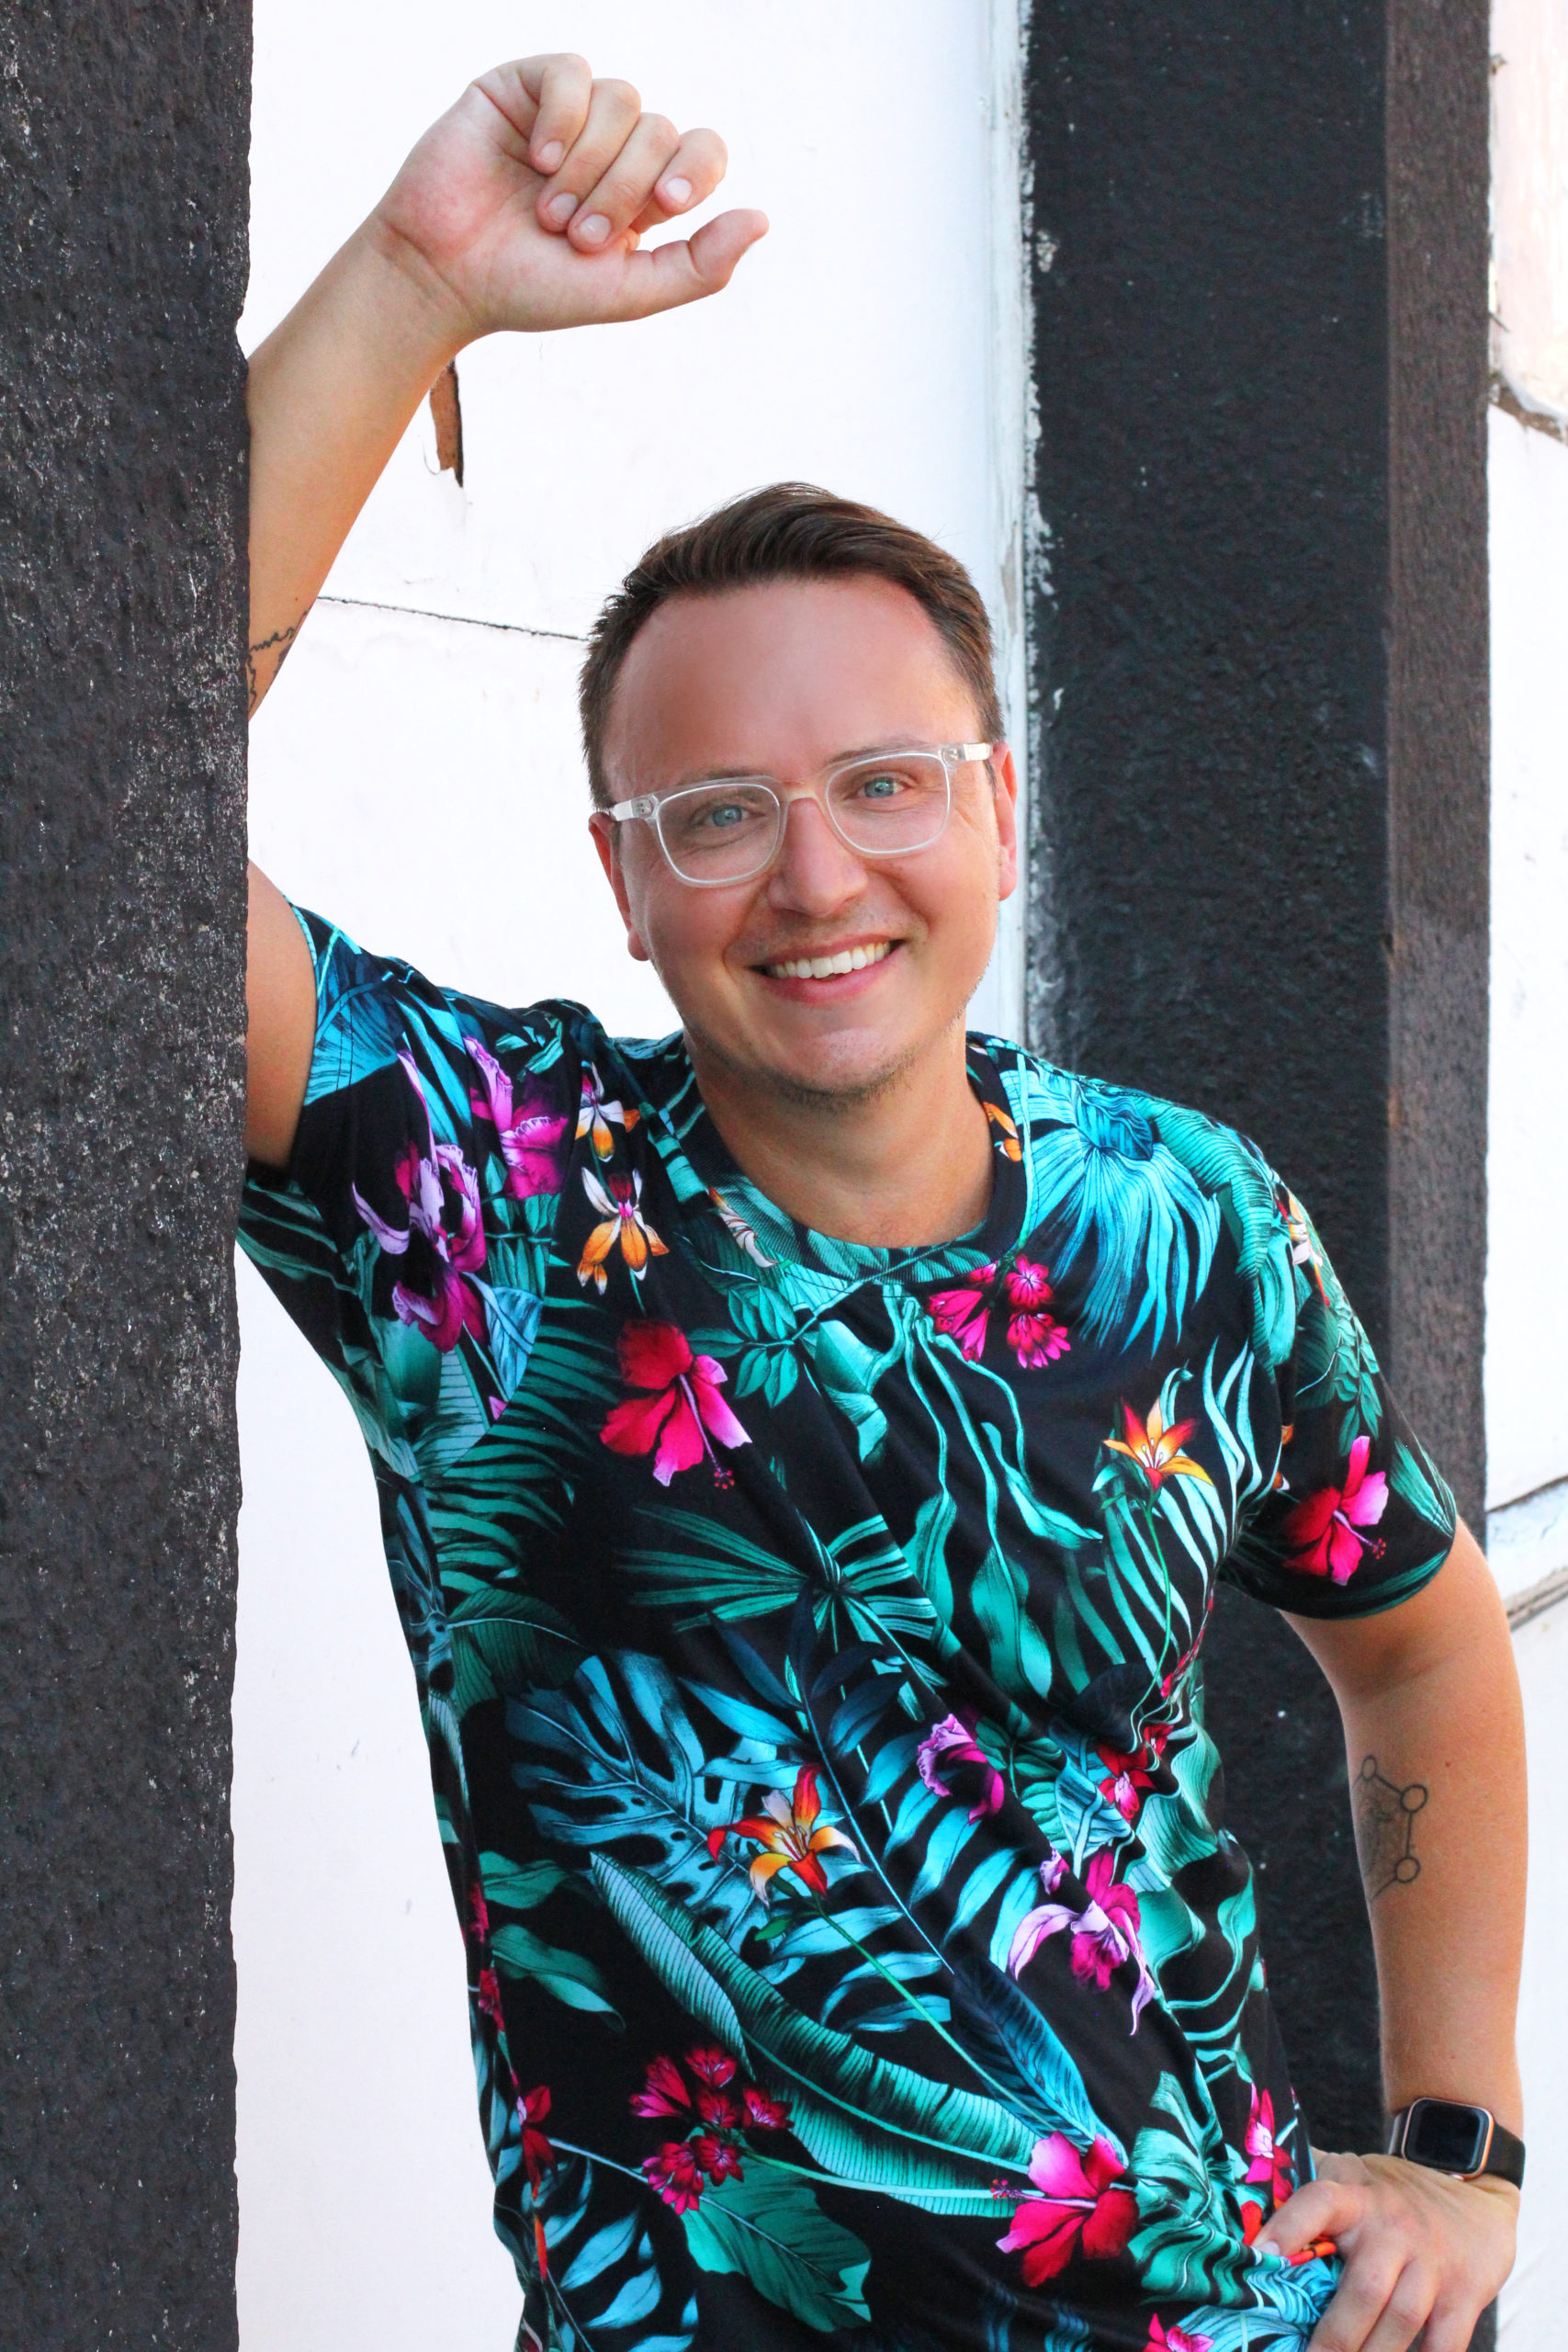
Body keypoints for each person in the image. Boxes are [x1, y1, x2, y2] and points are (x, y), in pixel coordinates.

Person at [241, 52, 1526, 2352]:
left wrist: (1457, 2145)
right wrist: (409, 289)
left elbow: (1419, 1645)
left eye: (883, 781)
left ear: (1000, 812)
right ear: (620, 885)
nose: (817, 874)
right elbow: (80, 796)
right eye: (716, 810)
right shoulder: (487, 1200)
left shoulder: (1184, 1219)